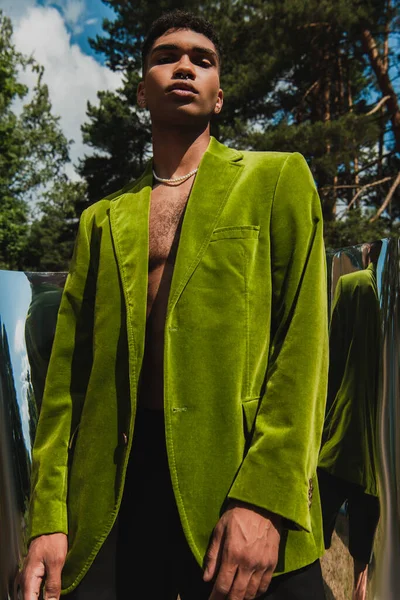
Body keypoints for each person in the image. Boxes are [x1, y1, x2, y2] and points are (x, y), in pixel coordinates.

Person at [21, 10, 329, 600]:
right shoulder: (102, 221)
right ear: (142, 89)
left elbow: (304, 348)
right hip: (115, 502)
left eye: (202, 59)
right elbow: (66, 387)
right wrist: (49, 519)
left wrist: (267, 498)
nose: (184, 65)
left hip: (236, 484)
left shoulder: (276, 180)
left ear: (219, 96)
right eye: (166, 56)